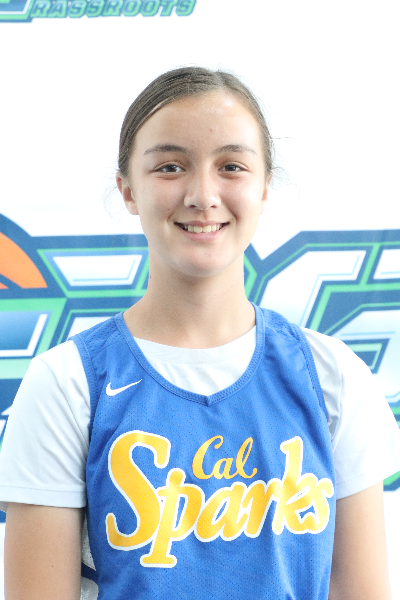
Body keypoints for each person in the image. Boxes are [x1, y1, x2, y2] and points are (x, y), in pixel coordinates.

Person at [1, 67, 400, 600]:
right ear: (128, 190)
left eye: (231, 166)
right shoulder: (67, 384)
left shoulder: (332, 376)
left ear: (264, 187)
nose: (203, 195)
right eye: (170, 167)